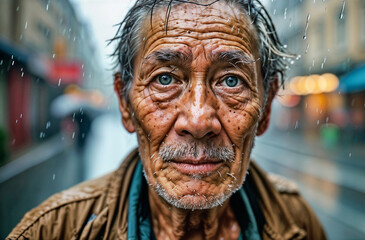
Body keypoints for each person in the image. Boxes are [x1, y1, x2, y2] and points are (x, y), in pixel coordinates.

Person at [8, 0, 326, 239]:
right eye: (164, 80)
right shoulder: (52, 231)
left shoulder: (296, 220)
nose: (199, 119)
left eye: (231, 81)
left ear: (267, 105)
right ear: (124, 102)